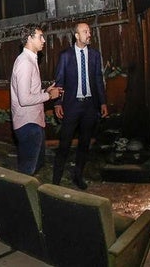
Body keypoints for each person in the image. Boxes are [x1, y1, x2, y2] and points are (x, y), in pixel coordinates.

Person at [52, 22, 108, 189]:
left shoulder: (95, 55)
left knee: (84, 144)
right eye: (85, 31)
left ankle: (78, 176)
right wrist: (57, 103)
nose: (89, 34)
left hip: (90, 106)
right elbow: (59, 81)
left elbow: (98, 80)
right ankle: (55, 181)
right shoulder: (66, 56)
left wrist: (103, 102)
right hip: (72, 106)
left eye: (89, 31)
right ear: (77, 36)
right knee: (64, 144)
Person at [10, 24, 61, 175]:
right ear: (30, 39)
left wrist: (46, 91)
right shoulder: (25, 63)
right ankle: (21, 197)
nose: (44, 40)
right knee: (27, 172)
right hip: (28, 124)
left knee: (34, 166)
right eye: (40, 36)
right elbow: (24, 99)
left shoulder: (30, 59)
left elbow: (29, 92)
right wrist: (49, 96)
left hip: (33, 122)